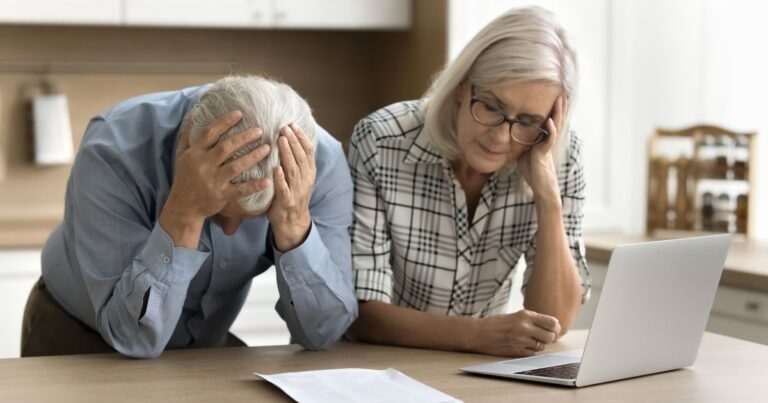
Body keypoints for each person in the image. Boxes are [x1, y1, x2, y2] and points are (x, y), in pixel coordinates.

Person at [21, 75, 357, 358]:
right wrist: (185, 212)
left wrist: (294, 225)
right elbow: (132, 337)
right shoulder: (114, 150)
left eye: (256, 218)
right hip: (80, 332)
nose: (231, 231)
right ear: (187, 141)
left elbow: (323, 334)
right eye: (220, 213)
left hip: (203, 345)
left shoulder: (319, 164)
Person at [346, 6, 590, 357]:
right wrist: (477, 335)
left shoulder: (558, 156)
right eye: (491, 107)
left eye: (527, 122)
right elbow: (361, 314)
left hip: (479, 373)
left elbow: (553, 322)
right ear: (463, 85)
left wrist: (549, 199)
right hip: (382, 364)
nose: (501, 137)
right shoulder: (381, 141)